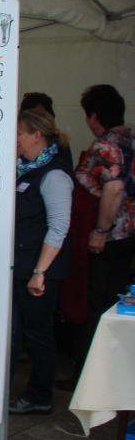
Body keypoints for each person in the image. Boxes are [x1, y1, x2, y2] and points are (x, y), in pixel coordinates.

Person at [60, 84, 135, 389]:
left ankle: (89, 379)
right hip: (130, 232)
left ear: (94, 116)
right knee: (117, 304)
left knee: (96, 306)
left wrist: (101, 231)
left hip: (110, 236)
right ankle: (113, 374)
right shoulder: (130, 139)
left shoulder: (106, 145)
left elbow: (113, 189)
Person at [9, 109, 73, 415]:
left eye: (19, 133)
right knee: (16, 332)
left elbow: (58, 227)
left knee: (38, 334)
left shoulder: (55, 175)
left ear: (36, 135)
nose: (16, 139)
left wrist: (39, 272)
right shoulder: (24, 169)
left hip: (40, 271)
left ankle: (39, 396)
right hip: (21, 265)